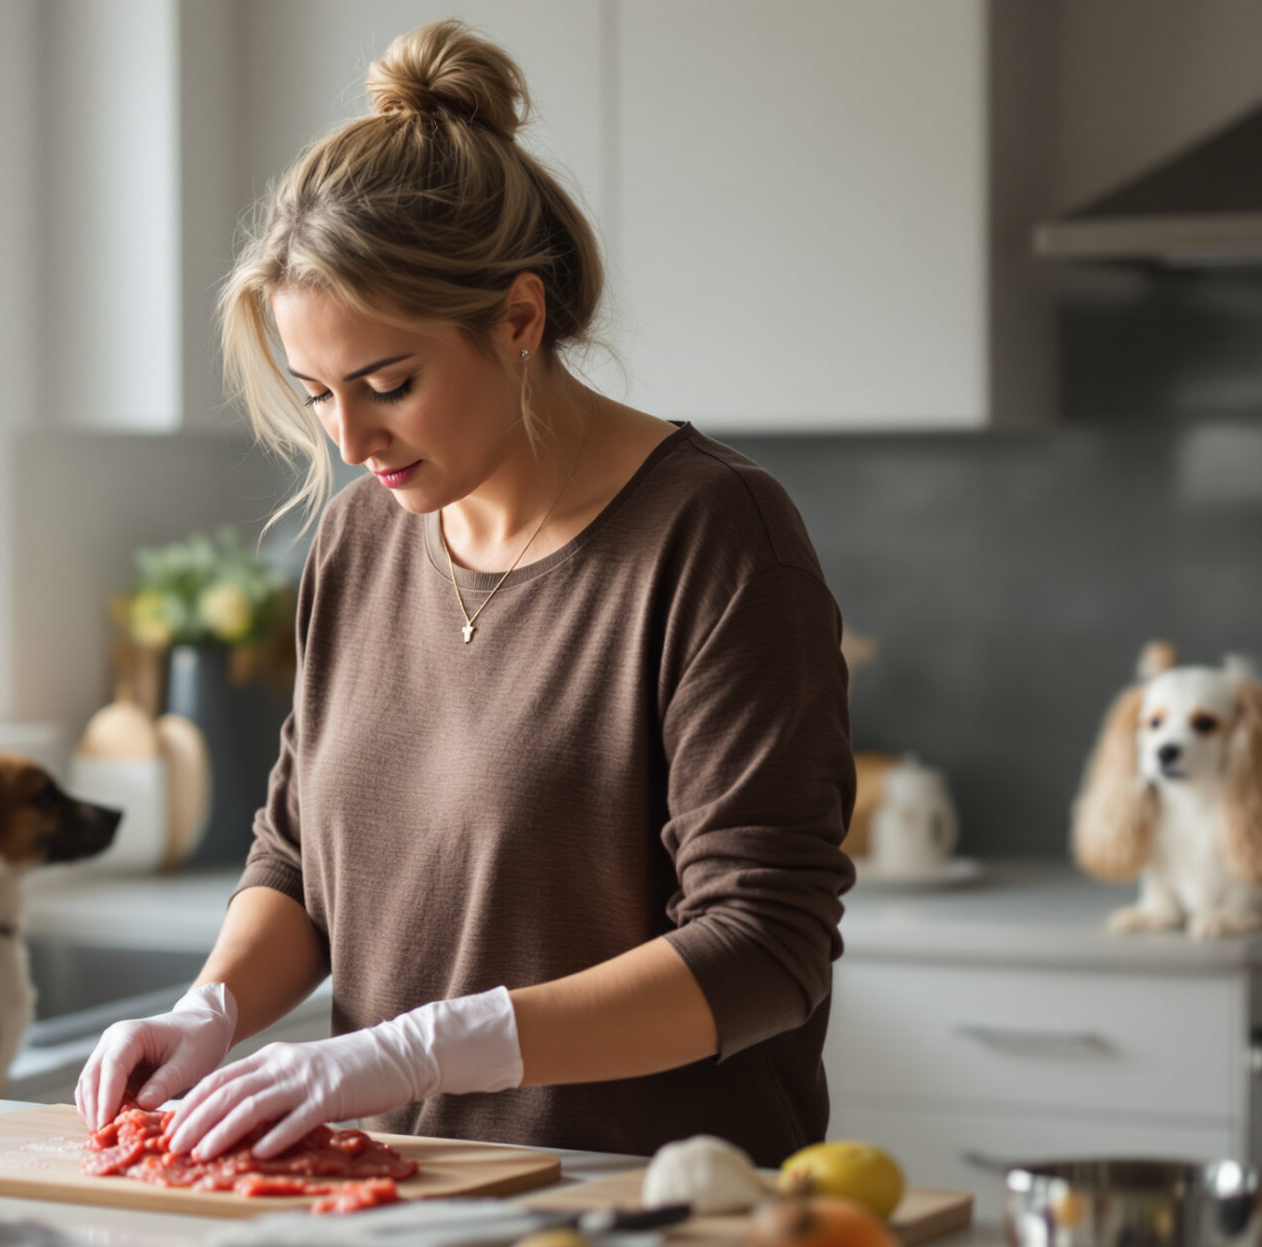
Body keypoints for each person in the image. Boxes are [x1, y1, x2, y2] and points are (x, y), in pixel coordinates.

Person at [75, 20, 854, 1165]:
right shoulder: (359, 540)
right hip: (387, 1206)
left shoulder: (714, 538)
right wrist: (214, 1008)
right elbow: (297, 860)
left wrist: (424, 1046)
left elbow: (764, 948)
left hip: (641, 1220)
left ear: (520, 318)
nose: (348, 439)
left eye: (387, 384)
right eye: (316, 393)